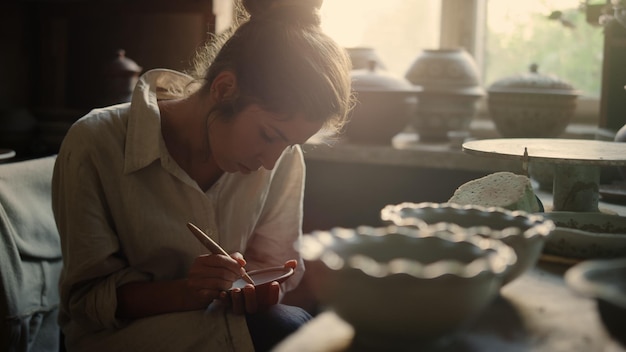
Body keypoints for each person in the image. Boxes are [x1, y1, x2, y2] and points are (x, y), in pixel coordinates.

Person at [51, 0, 353, 350]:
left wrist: (253, 290)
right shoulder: (96, 143)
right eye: (269, 136)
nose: (271, 162)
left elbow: (273, 264)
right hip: (120, 335)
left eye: (289, 145)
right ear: (224, 89)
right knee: (288, 330)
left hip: (224, 321)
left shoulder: (283, 158)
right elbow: (86, 302)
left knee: (298, 328)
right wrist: (188, 291)